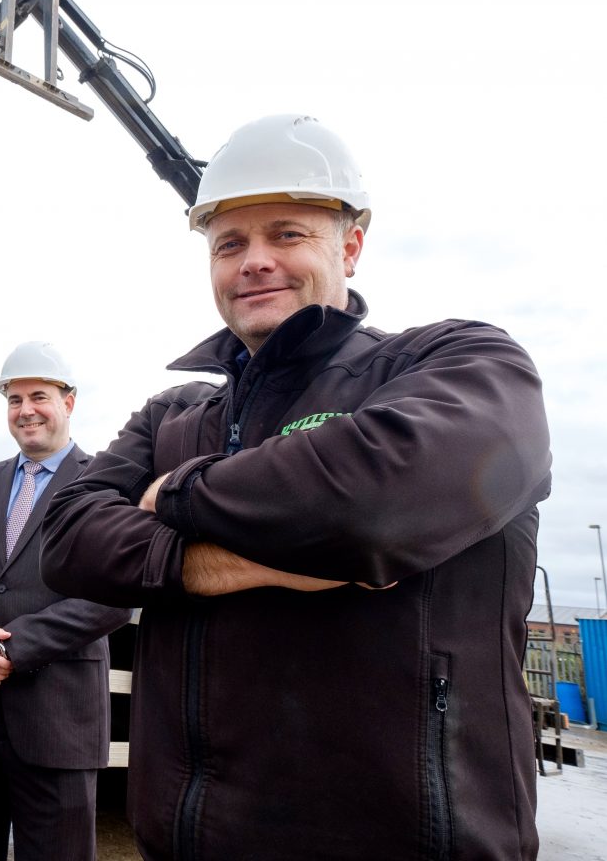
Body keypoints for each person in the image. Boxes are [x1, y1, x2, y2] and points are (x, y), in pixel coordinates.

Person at [41, 114, 553, 861]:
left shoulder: (460, 364)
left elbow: (372, 499)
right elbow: (66, 541)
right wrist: (223, 561)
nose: (254, 262)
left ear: (350, 245)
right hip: (187, 842)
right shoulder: (173, 413)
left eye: (286, 234)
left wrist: (171, 494)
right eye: (230, 244)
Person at [0, 342, 132, 861]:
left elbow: (117, 594)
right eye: (14, 400)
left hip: (56, 723)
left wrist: (6, 653)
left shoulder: (107, 483)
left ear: (69, 402)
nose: (26, 410)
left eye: (38, 396)